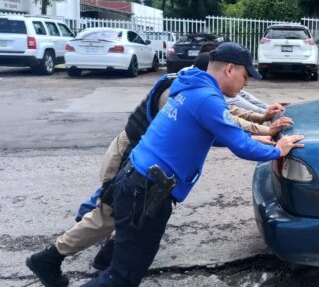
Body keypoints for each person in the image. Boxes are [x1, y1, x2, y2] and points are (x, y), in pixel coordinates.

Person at [25, 52, 289, 287]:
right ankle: (66, 259)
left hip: (139, 177)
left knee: (120, 256)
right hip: (145, 186)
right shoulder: (206, 98)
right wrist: (278, 150)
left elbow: (208, 133)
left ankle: (92, 257)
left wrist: (258, 137)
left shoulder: (190, 85)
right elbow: (237, 144)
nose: (247, 83)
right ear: (230, 69)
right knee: (121, 275)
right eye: (245, 76)